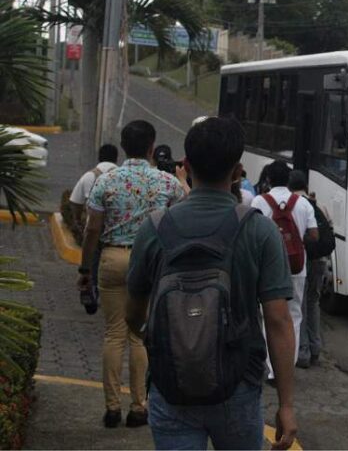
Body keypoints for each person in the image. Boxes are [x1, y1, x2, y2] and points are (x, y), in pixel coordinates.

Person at [126, 117, 297, 450]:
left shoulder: (154, 228)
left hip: (170, 385)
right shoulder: (259, 231)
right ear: (237, 172)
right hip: (238, 388)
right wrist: (287, 405)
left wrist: (176, 337)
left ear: (186, 166)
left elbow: (133, 315)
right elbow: (278, 321)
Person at [77, 120, 185, 428]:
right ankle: (139, 407)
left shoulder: (106, 181)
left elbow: (92, 230)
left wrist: (86, 268)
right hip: (150, 262)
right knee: (140, 336)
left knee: (114, 334)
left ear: (124, 147)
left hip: (112, 257)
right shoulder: (167, 183)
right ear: (152, 147)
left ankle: (112, 407)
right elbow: (183, 217)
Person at [252, 161, 318, 377]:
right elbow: (314, 235)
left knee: (268, 315)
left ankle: (271, 368)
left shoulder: (259, 201)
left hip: (267, 267)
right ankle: (287, 366)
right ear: (290, 180)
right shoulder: (303, 203)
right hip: (297, 267)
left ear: (268, 180)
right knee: (294, 316)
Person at [288, 170, 333, 369]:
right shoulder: (318, 205)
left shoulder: (294, 204)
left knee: (300, 305)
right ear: (306, 186)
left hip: (303, 259)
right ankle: (316, 349)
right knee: (314, 303)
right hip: (321, 260)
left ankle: (303, 352)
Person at [69, 144, 118, 231]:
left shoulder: (88, 176)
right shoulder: (124, 178)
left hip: (92, 230)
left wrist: (78, 221)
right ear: (116, 159)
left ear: (99, 158)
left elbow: (75, 202)